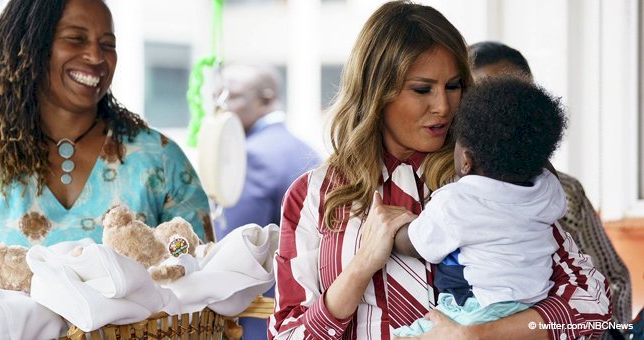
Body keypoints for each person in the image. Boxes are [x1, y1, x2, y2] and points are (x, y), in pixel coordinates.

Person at [269, 2, 611, 340]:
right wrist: (359, 269)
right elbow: (287, 334)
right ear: (376, 91)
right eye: (422, 89)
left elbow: (593, 305)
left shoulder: (492, 177)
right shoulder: (312, 195)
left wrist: (479, 334)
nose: (443, 107)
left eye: (454, 86)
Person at [0, 0, 213, 246]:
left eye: (108, 44)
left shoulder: (159, 160)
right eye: (76, 38)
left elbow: (200, 269)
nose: (96, 56)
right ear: (30, 45)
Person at [470, 40, 633, 329]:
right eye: (486, 99)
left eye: (515, 99)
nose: (502, 114)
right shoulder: (446, 191)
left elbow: (614, 279)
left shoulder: (565, 191)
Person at [391, 77, 567, 336]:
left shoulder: (458, 200)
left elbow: (417, 245)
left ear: (466, 161)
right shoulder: (549, 190)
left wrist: (393, 232)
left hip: (478, 309)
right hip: (534, 305)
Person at [217, 64, 320, 339]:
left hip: (260, 316)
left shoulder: (252, 155)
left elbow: (233, 246)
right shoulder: (306, 150)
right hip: (309, 310)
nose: (222, 108)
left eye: (232, 96)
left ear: (265, 98)